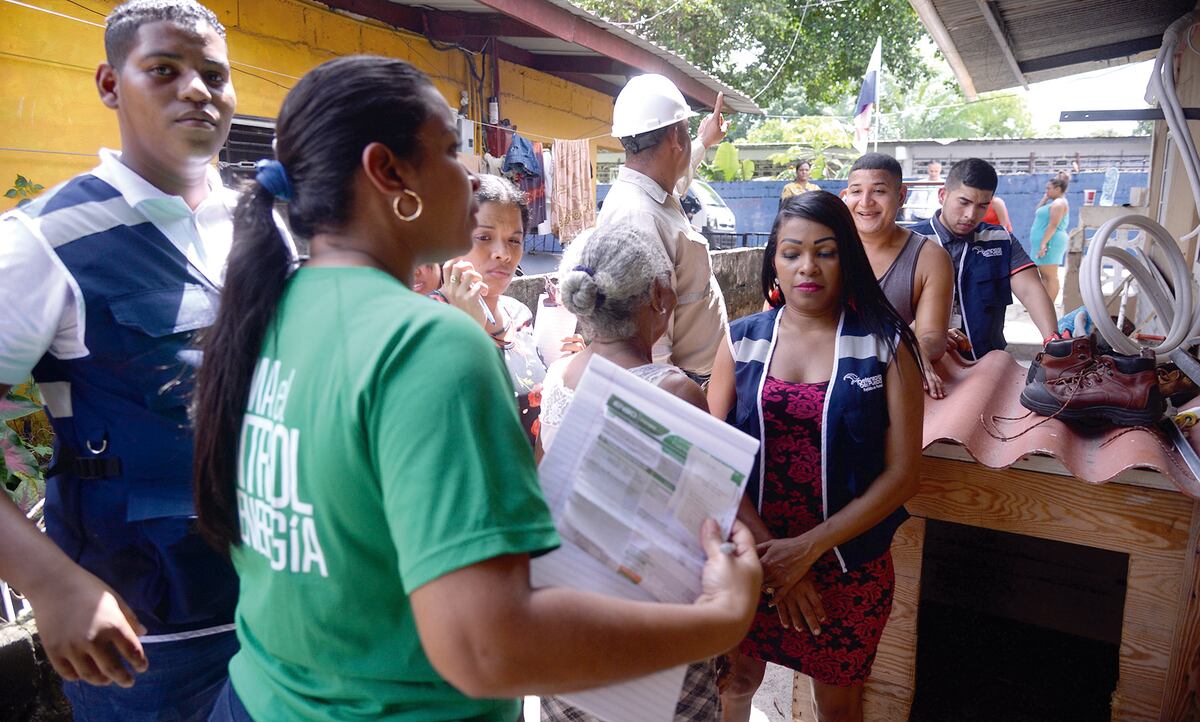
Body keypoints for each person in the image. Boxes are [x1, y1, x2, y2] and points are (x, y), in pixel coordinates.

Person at [190, 55, 762, 722]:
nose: (470, 176)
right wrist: (720, 619)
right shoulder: (429, 344)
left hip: (262, 700)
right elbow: (486, 648)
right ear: (388, 172)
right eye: (450, 152)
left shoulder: (268, 312)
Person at [0, 2, 246, 719]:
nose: (197, 89)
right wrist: (48, 582)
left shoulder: (267, 230)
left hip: (292, 608)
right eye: (164, 70)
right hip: (152, 641)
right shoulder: (44, 243)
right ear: (111, 85)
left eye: (213, 73)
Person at [709, 192, 924, 722]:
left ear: (846, 257)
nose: (808, 266)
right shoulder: (741, 342)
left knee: (838, 702)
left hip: (849, 565)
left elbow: (902, 476)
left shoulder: (886, 345)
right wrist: (777, 559)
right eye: (792, 252)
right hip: (750, 555)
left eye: (825, 251)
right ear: (774, 261)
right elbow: (711, 457)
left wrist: (806, 550)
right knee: (735, 681)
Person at [538, 223, 720, 721]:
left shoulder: (559, 378)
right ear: (660, 297)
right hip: (650, 629)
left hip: (570, 623)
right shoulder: (673, 391)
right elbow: (707, 523)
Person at [600, 74, 731, 385]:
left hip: (698, 379)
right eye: (686, 130)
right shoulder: (638, 216)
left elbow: (679, 178)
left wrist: (704, 141)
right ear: (675, 137)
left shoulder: (652, 194)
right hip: (685, 384)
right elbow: (651, 339)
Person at [433, 174, 578, 442]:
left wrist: (570, 369)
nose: (504, 253)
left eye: (514, 240)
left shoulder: (519, 315)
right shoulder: (428, 321)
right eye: (484, 237)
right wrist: (468, 332)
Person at [910, 158, 1059, 359]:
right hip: (926, 362)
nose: (970, 215)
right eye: (964, 202)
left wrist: (1053, 341)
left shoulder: (1000, 240)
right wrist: (924, 333)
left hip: (987, 362)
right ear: (943, 195)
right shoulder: (910, 241)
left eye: (982, 206)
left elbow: (1030, 290)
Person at [842, 153, 954, 398]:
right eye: (856, 191)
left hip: (881, 384)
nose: (866, 202)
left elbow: (932, 336)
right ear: (845, 196)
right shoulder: (825, 248)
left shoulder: (929, 257)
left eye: (879, 191)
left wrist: (913, 351)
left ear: (901, 196)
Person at [1031, 177, 1070, 304]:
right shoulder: (1052, 202)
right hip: (1044, 241)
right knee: (1043, 276)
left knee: (1050, 275)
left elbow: (1053, 225)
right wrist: (1046, 197)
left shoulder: (1059, 204)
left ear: (1058, 189)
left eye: (1048, 188)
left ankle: (1049, 305)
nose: (1046, 190)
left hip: (1051, 242)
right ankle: (1043, 304)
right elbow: (1037, 210)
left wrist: (1043, 243)